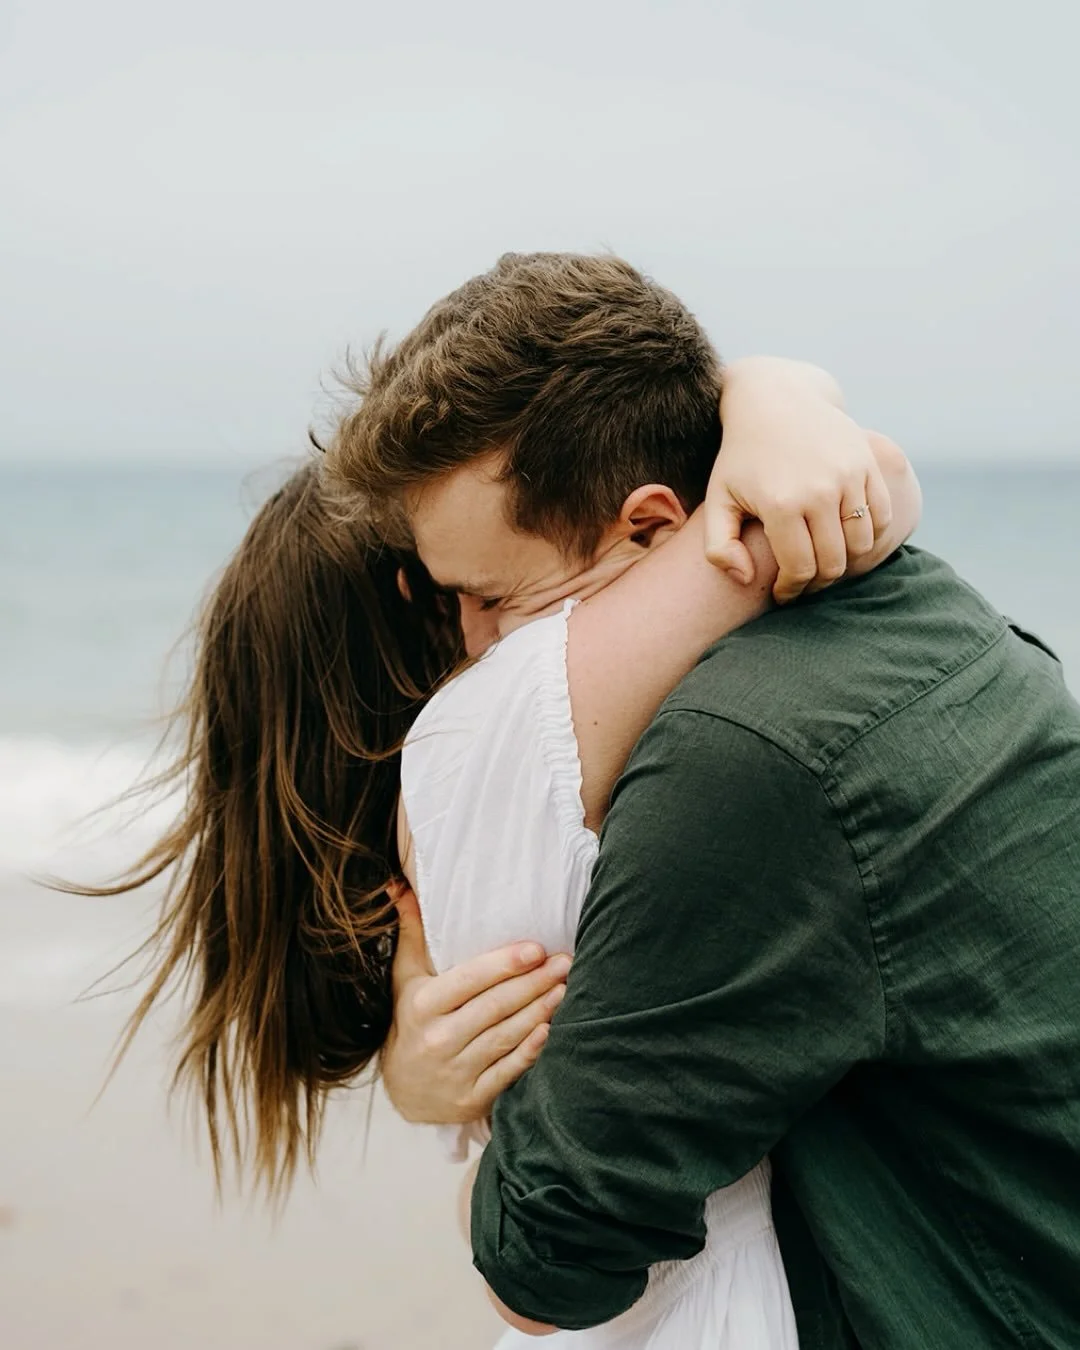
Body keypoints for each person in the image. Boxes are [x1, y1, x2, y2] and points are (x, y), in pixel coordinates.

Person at [79, 303, 916, 1345]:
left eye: (488, 591)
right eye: (461, 602)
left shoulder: (493, 805)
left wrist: (775, 396)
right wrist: (784, 398)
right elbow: (803, 515)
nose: (498, 637)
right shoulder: (502, 740)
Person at [330, 252, 1080, 1348]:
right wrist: (780, 389)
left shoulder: (737, 759)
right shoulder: (926, 610)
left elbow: (548, 1263)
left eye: (491, 596)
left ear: (653, 525)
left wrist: (460, 1127)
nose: (479, 650)